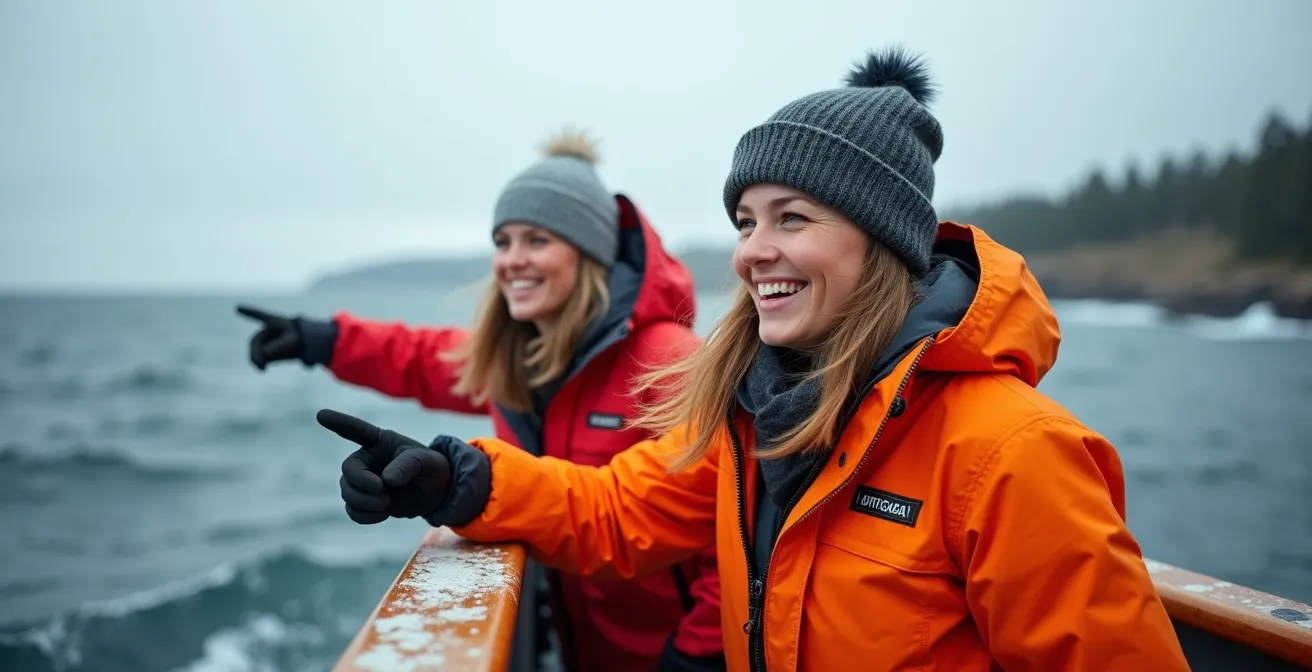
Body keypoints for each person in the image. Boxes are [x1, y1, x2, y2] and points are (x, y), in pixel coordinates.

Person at [313, 49, 1191, 671]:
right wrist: (459, 482)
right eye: (745, 223)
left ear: (881, 241)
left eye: (792, 218)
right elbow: (617, 511)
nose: (751, 252)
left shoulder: (1009, 452)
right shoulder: (754, 418)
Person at [236, 131, 725, 672]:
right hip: (576, 646)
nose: (511, 261)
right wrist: (323, 340)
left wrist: (700, 652)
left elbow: (729, 525)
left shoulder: (669, 359)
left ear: (591, 254)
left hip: (663, 653)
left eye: (537, 240)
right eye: (503, 241)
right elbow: (423, 358)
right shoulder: (521, 356)